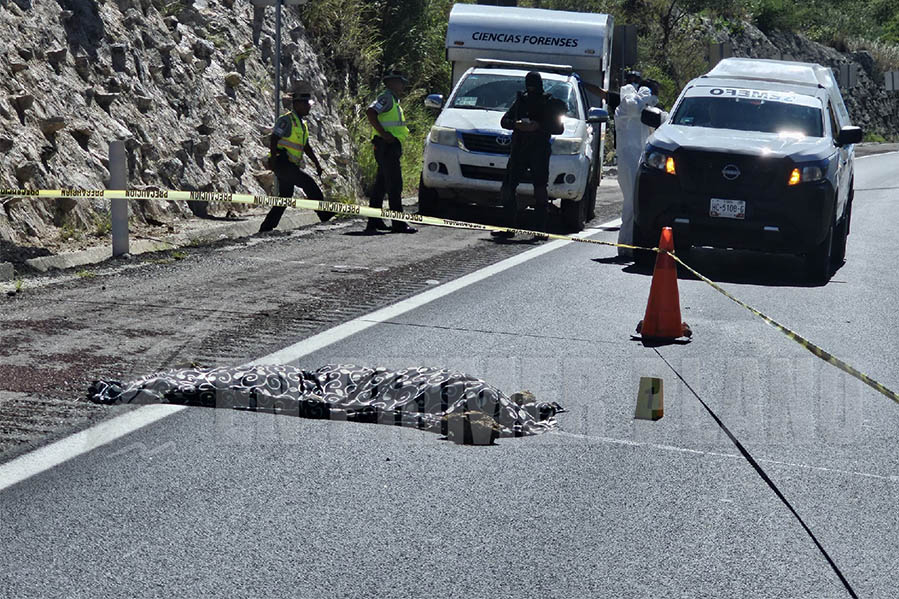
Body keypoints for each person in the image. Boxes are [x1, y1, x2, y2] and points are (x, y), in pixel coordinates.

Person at [491, 71, 566, 241]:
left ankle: (540, 229)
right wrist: (517, 125)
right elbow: (505, 121)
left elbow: (558, 128)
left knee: (540, 190)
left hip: (539, 151)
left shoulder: (548, 102)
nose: (531, 88)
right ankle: (509, 228)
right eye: (529, 84)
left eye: (533, 84)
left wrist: (538, 126)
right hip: (519, 150)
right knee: (508, 188)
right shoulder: (521, 100)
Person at [259, 82, 332, 233]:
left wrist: (317, 164)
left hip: (290, 165)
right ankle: (324, 214)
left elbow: (306, 147)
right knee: (309, 183)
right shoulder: (286, 120)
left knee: (285, 197)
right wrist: (273, 161)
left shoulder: (301, 124)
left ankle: (266, 227)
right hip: (282, 163)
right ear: (297, 104)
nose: (309, 107)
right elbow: (274, 138)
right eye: (306, 104)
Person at [615, 75, 665, 259]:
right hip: (628, 163)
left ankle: (631, 244)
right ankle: (625, 245)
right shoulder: (627, 106)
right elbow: (634, 107)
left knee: (637, 205)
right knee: (630, 203)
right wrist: (645, 93)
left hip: (639, 162)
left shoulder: (645, 111)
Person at [364, 69, 417, 234]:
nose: (402, 85)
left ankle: (374, 221)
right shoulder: (386, 97)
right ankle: (398, 224)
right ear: (391, 83)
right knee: (394, 185)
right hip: (386, 146)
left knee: (380, 186)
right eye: (400, 82)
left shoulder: (393, 99)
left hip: (388, 146)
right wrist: (385, 134)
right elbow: (371, 112)